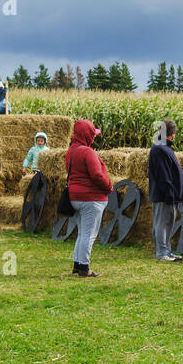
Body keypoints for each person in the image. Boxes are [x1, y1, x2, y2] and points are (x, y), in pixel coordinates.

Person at [66, 119, 111, 278]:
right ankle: (84, 268)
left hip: (74, 197)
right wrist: (109, 187)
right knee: (89, 234)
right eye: (92, 133)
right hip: (91, 198)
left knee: (81, 233)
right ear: (87, 134)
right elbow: (97, 175)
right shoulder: (87, 152)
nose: (94, 137)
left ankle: (77, 265)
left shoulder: (71, 151)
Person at [147, 119, 183, 262]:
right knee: (162, 223)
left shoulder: (164, 147)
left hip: (169, 194)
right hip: (164, 195)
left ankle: (167, 251)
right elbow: (163, 175)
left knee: (168, 223)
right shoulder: (159, 149)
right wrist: (169, 193)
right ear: (172, 133)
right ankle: (162, 253)